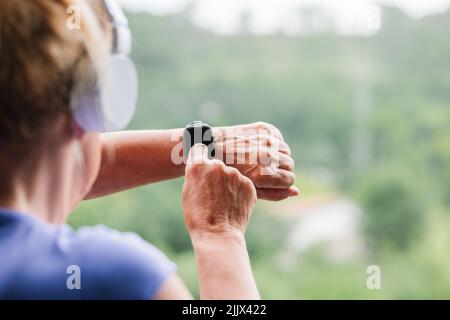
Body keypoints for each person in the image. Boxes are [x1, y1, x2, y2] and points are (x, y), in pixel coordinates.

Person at [0, 0, 298, 299]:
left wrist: (205, 143)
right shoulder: (110, 274)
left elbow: (63, 164)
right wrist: (220, 234)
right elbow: (72, 165)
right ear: (90, 106)